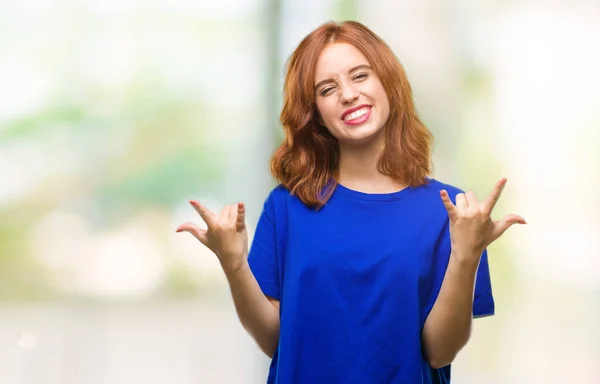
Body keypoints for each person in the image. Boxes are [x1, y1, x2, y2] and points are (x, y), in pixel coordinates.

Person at [176, 20, 525, 384]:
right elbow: (273, 340)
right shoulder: (287, 208)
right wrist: (234, 264)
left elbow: (440, 351)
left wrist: (466, 256)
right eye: (327, 89)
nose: (347, 94)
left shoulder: (452, 211)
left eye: (360, 76)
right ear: (316, 113)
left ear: (387, 82)